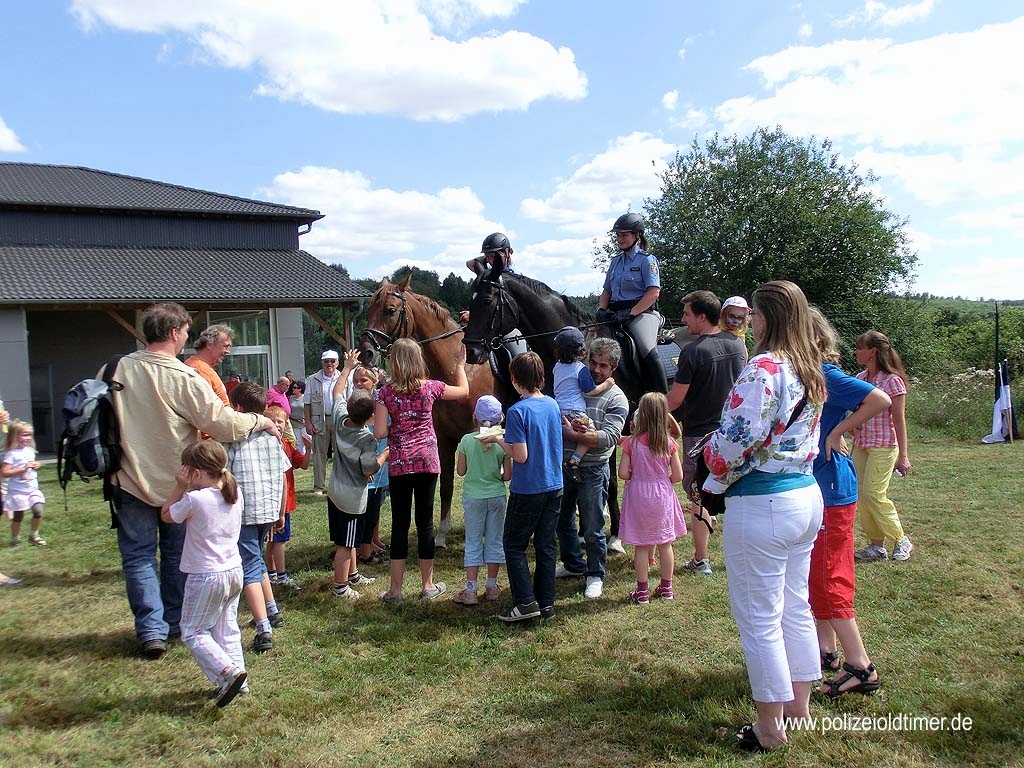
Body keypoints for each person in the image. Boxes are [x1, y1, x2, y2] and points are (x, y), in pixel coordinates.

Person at [106, 302, 277, 660]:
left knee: (137, 558)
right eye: (185, 331)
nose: (187, 337)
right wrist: (259, 421)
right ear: (173, 333)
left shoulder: (116, 368)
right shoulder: (183, 377)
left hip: (126, 479)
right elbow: (223, 424)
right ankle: (172, 624)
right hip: (179, 481)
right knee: (176, 556)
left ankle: (151, 631)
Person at [702, 280, 826, 752]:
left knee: (759, 617)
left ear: (767, 318)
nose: (748, 321)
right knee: (795, 606)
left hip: (764, 504)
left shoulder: (764, 368)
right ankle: (799, 706)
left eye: (753, 314)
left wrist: (708, 459)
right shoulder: (809, 366)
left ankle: (769, 727)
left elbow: (734, 441)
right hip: (803, 496)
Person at [808, 307, 888, 697]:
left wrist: (837, 431)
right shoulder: (808, 374)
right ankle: (827, 654)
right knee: (816, 575)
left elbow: (879, 399)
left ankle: (861, 667)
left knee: (829, 575)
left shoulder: (826, 375)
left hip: (832, 490)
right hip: (817, 486)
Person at [374, 338, 469, 603]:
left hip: (401, 462)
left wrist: (399, 427)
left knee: (400, 525)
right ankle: (427, 585)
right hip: (428, 459)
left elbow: (380, 431)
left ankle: (395, 591)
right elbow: (463, 391)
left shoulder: (385, 393)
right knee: (425, 522)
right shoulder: (431, 388)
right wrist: (460, 365)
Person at [160, 440, 248, 708]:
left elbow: (165, 515)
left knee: (193, 631)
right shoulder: (235, 492)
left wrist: (179, 486)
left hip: (205, 575)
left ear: (196, 473)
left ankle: (227, 672)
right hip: (234, 570)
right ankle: (240, 683)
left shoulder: (194, 499)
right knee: (227, 628)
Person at [666, 290, 746, 576]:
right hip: (732, 431)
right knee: (734, 491)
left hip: (698, 434)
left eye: (687, 313)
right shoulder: (737, 344)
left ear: (701, 316)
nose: (684, 319)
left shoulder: (692, 352)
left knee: (698, 495)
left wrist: (648, 409)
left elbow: (674, 400)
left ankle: (702, 560)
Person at [479, 352, 563, 621]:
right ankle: (546, 603)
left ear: (514, 380)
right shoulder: (552, 404)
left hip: (528, 488)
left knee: (513, 544)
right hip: (554, 484)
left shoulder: (517, 411)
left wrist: (497, 439)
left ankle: (525, 602)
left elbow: (520, 455)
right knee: (546, 545)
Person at [555, 337, 629, 600]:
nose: (596, 370)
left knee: (594, 526)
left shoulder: (617, 398)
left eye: (603, 366)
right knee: (562, 521)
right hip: (563, 465)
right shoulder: (576, 380)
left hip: (594, 469)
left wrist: (569, 432)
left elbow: (608, 438)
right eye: (593, 364)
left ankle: (596, 573)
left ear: (614, 368)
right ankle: (574, 564)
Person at [226, 382, 290, 653]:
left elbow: (223, 475)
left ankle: (263, 627)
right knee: (257, 559)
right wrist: (280, 511)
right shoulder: (272, 438)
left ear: (237, 409)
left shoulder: (232, 439)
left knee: (249, 567)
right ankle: (272, 609)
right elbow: (283, 476)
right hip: (267, 510)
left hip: (244, 513)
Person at [852, 330, 915, 562]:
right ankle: (876, 546)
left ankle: (901, 540)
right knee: (862, 495)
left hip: (884, 445)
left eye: (860, 348)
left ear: (873, 352)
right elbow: (856, 411)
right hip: (861, 445)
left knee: (874, 494)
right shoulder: (860, 378)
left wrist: (904, 456)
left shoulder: (892, 381)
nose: (856, 352)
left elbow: (899, 419)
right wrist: (851, 427)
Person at [617, 393, 686, 604]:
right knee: (665, 543)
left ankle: (642, 591)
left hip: (639, 494)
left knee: (642, 545)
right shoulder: (669, 443)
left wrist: (637, 476)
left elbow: (623, 473)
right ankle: (666, 588)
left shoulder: (632, 443)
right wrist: (662, 479)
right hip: (662, 494)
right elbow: (678, 476)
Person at [596, 213, 667, 393]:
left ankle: (661, 398)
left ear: (637, 235)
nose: (620, 239)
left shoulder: (647, 260)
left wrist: (631, 313)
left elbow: (653, 293)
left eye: (624, 234)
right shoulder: (615, 262)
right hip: (615, 314)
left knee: (646, 348)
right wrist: (601, 310)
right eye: (618, 235)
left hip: (641, 314)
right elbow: (607, 291)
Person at [454, 395, 512, 605]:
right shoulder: (503, 442)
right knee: (495, 540)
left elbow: (461, 471)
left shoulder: (466, 441)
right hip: (496, 495)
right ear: (501, 418)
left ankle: (471, 590)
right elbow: (507, 476)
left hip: (473, 497)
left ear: (474, 418)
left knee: (473, 541)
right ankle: (491, 586)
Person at [328, 390, 385, 600]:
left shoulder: (341, 418)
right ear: (371, 417)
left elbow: (336, 392)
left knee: (348, 541)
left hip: (335, 492)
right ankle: (340, 587)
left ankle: (352, 575)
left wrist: (347, 367)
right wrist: (385, 455)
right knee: (345, 545)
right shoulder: (367, 439)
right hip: (350, 500)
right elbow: (368, 469)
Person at [552, 326, 615, 481]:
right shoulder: (580, 369)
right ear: (581, 351)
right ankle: (575, 460)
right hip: (575, 410)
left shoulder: (557, 367)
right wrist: (606, 384)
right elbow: (590, 390)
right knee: (589, 433)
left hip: (558, 410)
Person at [263, 405, 310, 589]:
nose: (277, 425)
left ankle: (271, 572)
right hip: (275, 502)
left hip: (286, 502)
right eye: (273, 421)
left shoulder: (287, 445)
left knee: (274, 540)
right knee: (278, 541)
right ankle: (280, 575)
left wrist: (308, 450)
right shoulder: (267, 445)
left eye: (280, 421)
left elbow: (304, 465)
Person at [460, 232, 528, 359]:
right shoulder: (490, 274)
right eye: (488, 257)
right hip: (493, 326)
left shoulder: (513, 275)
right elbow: (470, 263)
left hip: (512, 328)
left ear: (509, 252)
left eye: (494, 257)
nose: (491, 261)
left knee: (518, 356)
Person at [349, 365, 389, 566]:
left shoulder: (382, 403)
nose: (359, 384)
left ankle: (372, 541)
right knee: (364, 511)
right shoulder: (354, 405)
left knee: (375, 507)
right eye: (356, 381)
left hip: (381, 466)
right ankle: (363, 550)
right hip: (366, 467)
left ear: (374, 381)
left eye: (363, 380)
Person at [304, 350, 343, 495]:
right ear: (322, 363)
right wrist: (308, 423)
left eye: (332, 361)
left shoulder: (343, 378)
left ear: (337, 363)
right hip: (319, 420)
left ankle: (339, 484)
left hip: (339, 419)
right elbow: (307, 403)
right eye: (326, 361)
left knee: (341, 453)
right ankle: (319, 487)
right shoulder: (312, 379)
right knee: (319, 455)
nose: (329, 364)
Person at [3, 420, 47, 547]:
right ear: (14, 436)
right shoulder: (11, 454)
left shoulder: (30, 451)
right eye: (24, 435)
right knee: (18, 516)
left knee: (38, 511)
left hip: (32, 489)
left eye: (29, 435)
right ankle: (15, 538)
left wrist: (36, 465)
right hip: (18, 491)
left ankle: (34, 535)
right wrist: (22, 469)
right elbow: (5, 472)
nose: (27, 438)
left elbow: (31, 466)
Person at [184, 324, 234, 406]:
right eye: (225, 346)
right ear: (210, 345)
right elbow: (205, 410)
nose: (228, 351)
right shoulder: (200, 371)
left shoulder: (197, 366)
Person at [287, 379, 308, 455]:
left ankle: (308, 455)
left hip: (304, 423)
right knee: (298, 441)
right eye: (293, 387)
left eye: (295, 387)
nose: (293, 389)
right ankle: (301, 457)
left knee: (307, 440)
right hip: (294, 423)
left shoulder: (305, 397)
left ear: (300, 389)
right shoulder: (290, 398)